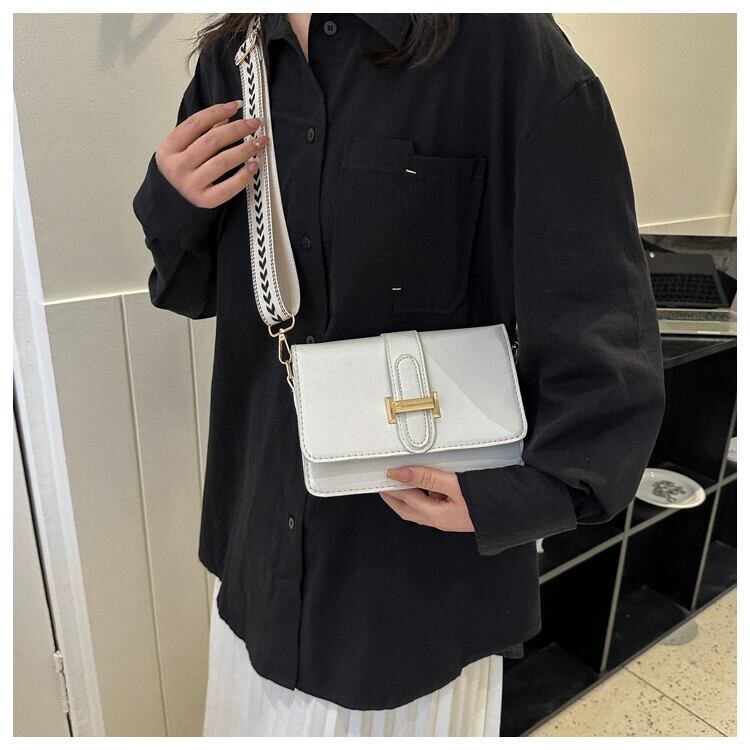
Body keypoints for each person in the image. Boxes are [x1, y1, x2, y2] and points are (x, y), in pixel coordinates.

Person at [131, 12, 666, 737]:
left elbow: (597, 303)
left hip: (412, 586)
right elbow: (202, 290)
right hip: (259, 554)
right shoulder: (237, 57)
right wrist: (174, 198)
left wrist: (531, 492)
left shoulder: (501, 46)